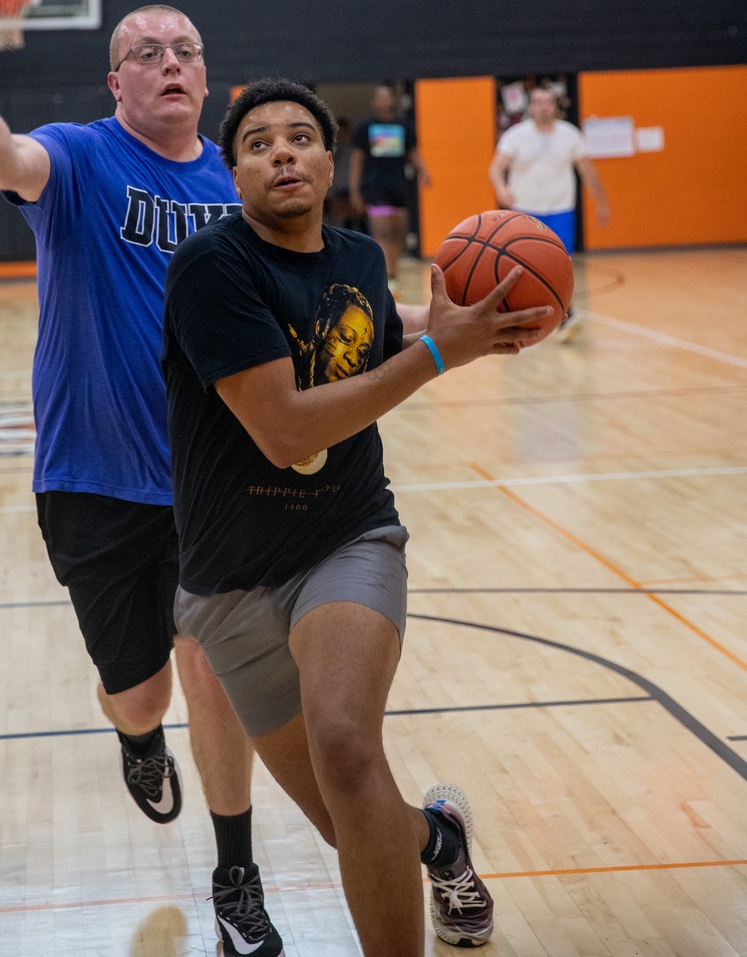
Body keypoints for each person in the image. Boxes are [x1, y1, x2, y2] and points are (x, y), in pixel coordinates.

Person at [162, 77, 551, 955]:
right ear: (233, 175)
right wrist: (438, 355)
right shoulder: (211, 268)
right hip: (227, 580)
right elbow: (281, 428)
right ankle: (440, 841)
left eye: (300, 137)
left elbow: (372, 334)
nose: (282, 153)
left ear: (330, 160)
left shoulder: (359, 260)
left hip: (344, 536)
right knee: (357, 823)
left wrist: (480, 327)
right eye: (258, 143)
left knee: (345, 746)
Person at [0, 7, 282, 957]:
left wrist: (434, 319)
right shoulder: (79, 158)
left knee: (211, 667)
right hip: (91, 477)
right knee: (143, 693)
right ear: (114, 83)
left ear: (207, 77)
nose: (170, 64)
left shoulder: (240, 182)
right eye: (146, 54)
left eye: (186, 52)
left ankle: (235, 876)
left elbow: (320, 288)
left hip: (213, 483)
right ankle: (131, 734)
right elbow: (7, 162)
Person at [487, 85, 609, 341]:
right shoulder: (515, 135)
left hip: (561, 209)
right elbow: (496, 168)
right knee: (521, 267)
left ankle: (567, 317)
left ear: (555, 106)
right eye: (539, 102)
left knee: (561, 266)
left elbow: (588, 171)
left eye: (548, 102)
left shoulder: (570, 135)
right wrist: (501, 188)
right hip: (525, 211)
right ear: (531, 107)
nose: (544, 106)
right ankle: (516, 318)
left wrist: (601, 202)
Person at [349, 85, 430, 289]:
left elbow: (413, 152)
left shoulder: (403, 125)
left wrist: (424, 172)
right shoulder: (365, 126)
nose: (384, 101)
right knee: (382, 233)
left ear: (392, 100)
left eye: (387, 97)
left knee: (396, 234)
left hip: (398, 187)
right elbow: (357, 160)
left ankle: (393, 275)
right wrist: (355, 191)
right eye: (380, 97)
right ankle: (383, 277)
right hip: (374, 187)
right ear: (374, 101)